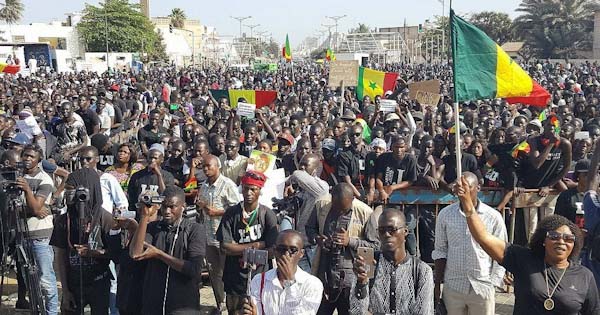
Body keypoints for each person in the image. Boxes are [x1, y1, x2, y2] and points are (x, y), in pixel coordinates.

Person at [456, 175, 600, 314]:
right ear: (543, 240)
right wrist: (468, 205)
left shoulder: (584, 276)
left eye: (568, 238)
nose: (561, 241)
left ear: (574, 244)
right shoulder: (524, 259)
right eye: (554, 236)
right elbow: (484, 238)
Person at [432, 172, 508, 315]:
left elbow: (501, 252)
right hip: (454, 286)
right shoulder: (445, 214)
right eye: (458, 187)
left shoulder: (493, 217)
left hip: (482, 286)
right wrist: (437, 284)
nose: (462, 191)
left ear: (478, 188)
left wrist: (493, 283)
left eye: (467, 187)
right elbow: (440, 250)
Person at [50, 168, 118, 314]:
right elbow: (61, 256)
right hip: (73, 283)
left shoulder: (105, 218)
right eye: (67, 189)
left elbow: (115, 253)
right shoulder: (64, 219)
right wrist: (66, 291)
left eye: (72, 189)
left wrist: (93, 253)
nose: (68, 194)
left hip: (99, 282)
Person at [129, 185, 206, 314]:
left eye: (172, 206)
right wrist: (144, 216)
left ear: (183, 206)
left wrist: (159, 255)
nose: (167, 211)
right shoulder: (154, 227)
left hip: (183, 306)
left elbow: (194, 269)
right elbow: (135, 253)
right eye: (164, 206)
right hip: (154, 304)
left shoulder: (195, 230)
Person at [306, 183, 378, 315]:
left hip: (352, 279)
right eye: (336, 208)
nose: (339, 212)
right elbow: (309, 228)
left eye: (343, 209)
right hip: (325, 275)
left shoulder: (366, 213)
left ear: (352, 200)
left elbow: (375, 246)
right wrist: (318, 239)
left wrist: (349, 241)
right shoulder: (321, 205)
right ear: (331, 198)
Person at [350, 207, 434, 315]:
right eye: (382, 230)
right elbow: (356, 311)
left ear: (405, 231)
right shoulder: (369, 263)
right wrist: (361, 284)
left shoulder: (422, 271)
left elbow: (424, 312)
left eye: (392, 229)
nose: (386, 234)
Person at [216, 171, 279, 314]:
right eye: (246, 188)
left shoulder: (267, 214)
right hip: (235, 276)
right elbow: (224, 247)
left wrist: (237, 248)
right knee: (235, 311)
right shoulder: (231, 213)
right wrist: (257, 245)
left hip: (261, 276)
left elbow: (272, 250)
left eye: (253, 189)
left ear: (259, 191)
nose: (249, 193)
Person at [15, 145, 59, 314]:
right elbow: (12, 209)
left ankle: (51, 312)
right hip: (22, 235)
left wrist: (27, 190)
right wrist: (31, 210)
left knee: (45, 280)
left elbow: (35, 207)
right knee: (29, 280)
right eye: (25, 155)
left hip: (41, 236)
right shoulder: (17, 177)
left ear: (39, 160)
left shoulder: (44, 179)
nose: (27, 159)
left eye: (32, 156)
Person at [241, 230, 324, 315]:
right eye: (281, 249)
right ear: (274, 251)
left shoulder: (312, 284)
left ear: (301, 253)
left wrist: (290, 282)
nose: (286, 255)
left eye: (293, 250)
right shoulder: (259, 280)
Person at [196, 154, 240, 313]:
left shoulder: (228, 185)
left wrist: (217, 212)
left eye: (209, 166)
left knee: (226, 273)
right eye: (204, 167)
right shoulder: (204, 186)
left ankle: (231, 304)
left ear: (218, 166)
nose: (206, 169)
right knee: (214, 274)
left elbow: (238, 210)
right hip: (209, 236)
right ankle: (220, 304)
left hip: (225, 237)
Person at [127, 144, 175, 214]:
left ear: (162, 159)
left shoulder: (168, 176)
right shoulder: (137, 176)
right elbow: (132, 198)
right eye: (150, 157)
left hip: (159, 216)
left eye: (155, 158)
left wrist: (159, 175)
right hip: (140, 214)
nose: (152, 160)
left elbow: (167, 197)